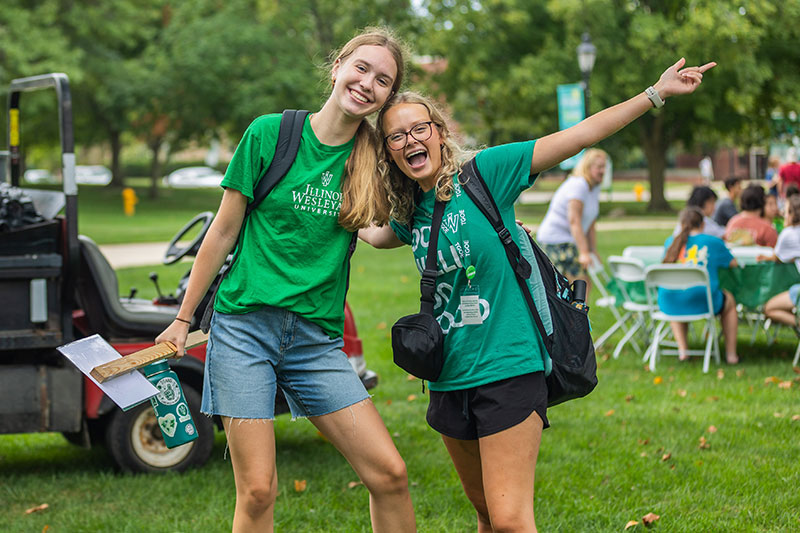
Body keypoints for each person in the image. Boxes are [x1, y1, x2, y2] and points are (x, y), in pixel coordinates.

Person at [360, 57, 715, 532]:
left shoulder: (488, 173)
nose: (410, 141)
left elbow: (582, 135)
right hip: (447, 375)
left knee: (510, 520)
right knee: (485, 514)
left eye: (418, 128)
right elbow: (370, 231)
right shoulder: (410, 210)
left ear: (439, 133)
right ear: (389, 152)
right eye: (396, 137)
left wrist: (654, 94)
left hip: (509, 365)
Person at [156, 28, 416, 533]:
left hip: (315, 341)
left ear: (387, 96)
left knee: (390, 474)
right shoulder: (269, 134)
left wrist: (432, 222)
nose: (367, 83)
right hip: (245, 332)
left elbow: (377, 233)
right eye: (361, 68)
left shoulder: (372, 157)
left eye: (383, 80)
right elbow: (224, 229)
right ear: (338, 65)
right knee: (257, 490)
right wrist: (182, 319)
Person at [661, 207, 740, 364]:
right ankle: (731, 355)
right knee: (729, 300)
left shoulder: (670, 242)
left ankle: (683, 352)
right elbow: (734, 263)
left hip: (669, 303)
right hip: (704, 301)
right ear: (703, 224)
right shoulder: (714, 242)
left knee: (677, 295)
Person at [535, 148, 607, 294]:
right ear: (588, 167)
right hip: (555, 241)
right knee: (572, 285)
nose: (603, 171)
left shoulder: (593, 188)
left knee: (583, 285)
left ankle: (579, 316)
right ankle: (573, 316)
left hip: (570, 240)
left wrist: (592, 250)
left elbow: (591, 223)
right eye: (599, 167)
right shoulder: (578, 185)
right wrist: (584, 252)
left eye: (604, 167)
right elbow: (574, 221)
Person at [761, 195, 800, 329]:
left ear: (792, 214)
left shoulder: (788, 233)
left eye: (786, 210)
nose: (782, 213)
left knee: (768, 308)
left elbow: (776, 257)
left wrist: (762, 257)